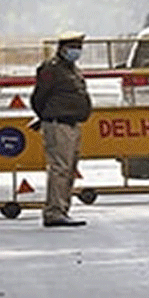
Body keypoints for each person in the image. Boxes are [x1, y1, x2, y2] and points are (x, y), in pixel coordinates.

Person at [31, 31, 93, 227]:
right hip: (58, 124)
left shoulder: (72, 69)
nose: (77, 51)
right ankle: (54, 211)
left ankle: (62, 209)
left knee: (69, 168)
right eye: (73, 47)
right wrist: (47, 116)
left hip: (72, 124)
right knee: (60, 168)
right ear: (62, 48)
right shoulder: (52, 69)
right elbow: (39, 97)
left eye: (79, 48)